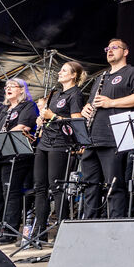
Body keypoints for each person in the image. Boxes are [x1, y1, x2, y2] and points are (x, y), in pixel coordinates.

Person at [80, 39, 134, 219]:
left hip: (114, 138)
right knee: (90, 185)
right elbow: (92, 102)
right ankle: (88, 224)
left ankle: (115, 225)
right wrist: (85, 109)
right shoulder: (101, 77)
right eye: (107, 48)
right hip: (93, 137)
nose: (109, 51)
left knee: (114, 185)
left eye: (114, 48)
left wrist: (112, 103)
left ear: (125, 52)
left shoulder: (133, 72)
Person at [32, 62, 84, 238]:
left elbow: (76, 122)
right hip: (44, 142)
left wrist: (53, 116)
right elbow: (49, 118)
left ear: (73, 75)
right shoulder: (55, 94)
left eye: (64, 70)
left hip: (60, 143)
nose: (60, 72)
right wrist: (42, 120)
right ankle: (39, 231)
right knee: (40, 187)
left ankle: (63, 231)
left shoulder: (75, 94)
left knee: (57, 186)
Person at [0, 78, 38, 243]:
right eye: (6, 86)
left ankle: (9, 231)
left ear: (22, 90)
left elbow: (23, 126)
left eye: (12, 86)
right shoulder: (2, 108)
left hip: (15, 154)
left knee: (10, 193)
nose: (8, 89)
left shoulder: (28, 106)